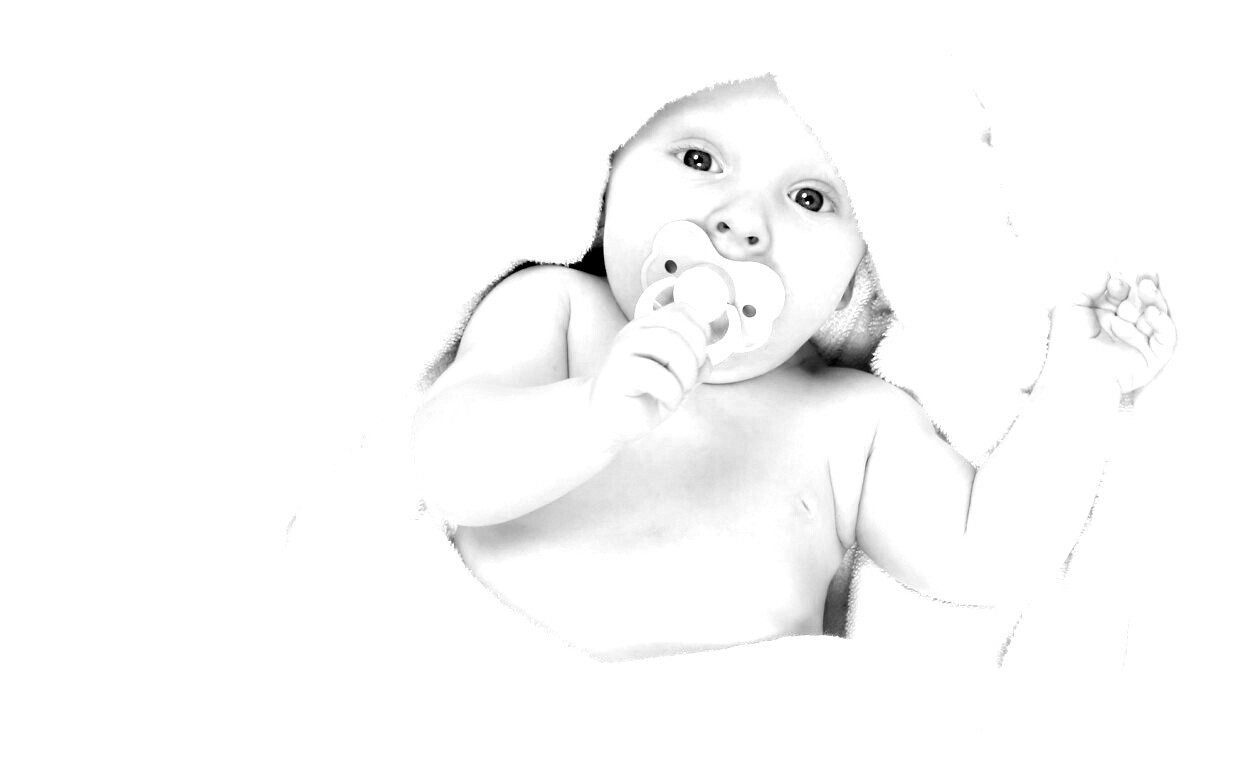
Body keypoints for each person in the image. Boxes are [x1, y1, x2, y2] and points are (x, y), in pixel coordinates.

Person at [411, 75, 1176, 661]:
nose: (742, 221)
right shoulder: (559, 312)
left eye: (810, 198)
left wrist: (1083, 380)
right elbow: (446, 467)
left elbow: (985, 555)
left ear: (852, 283)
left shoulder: (852, 422)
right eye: (700, 159)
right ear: (608, 183)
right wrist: (589, 415)